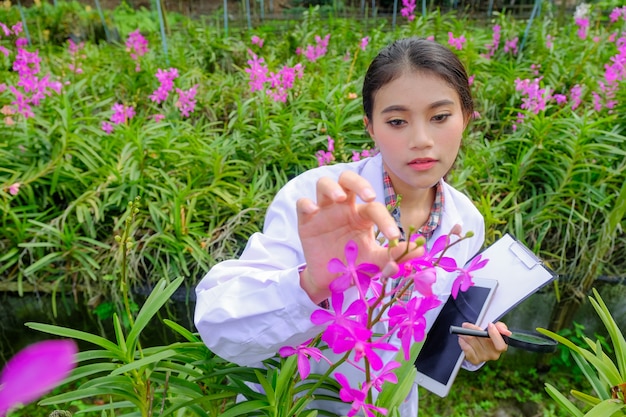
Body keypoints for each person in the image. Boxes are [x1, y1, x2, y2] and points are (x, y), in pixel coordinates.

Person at [194, 37, 510, 415]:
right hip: (294, 404)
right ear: (370, 127)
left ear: (467, 118)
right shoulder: (317, 200)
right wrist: (311, 284)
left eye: (440, 117)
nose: (421, 140)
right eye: (396, 121)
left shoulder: (466, 220)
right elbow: (218, 327)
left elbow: (423, 334)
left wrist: (472, 348)